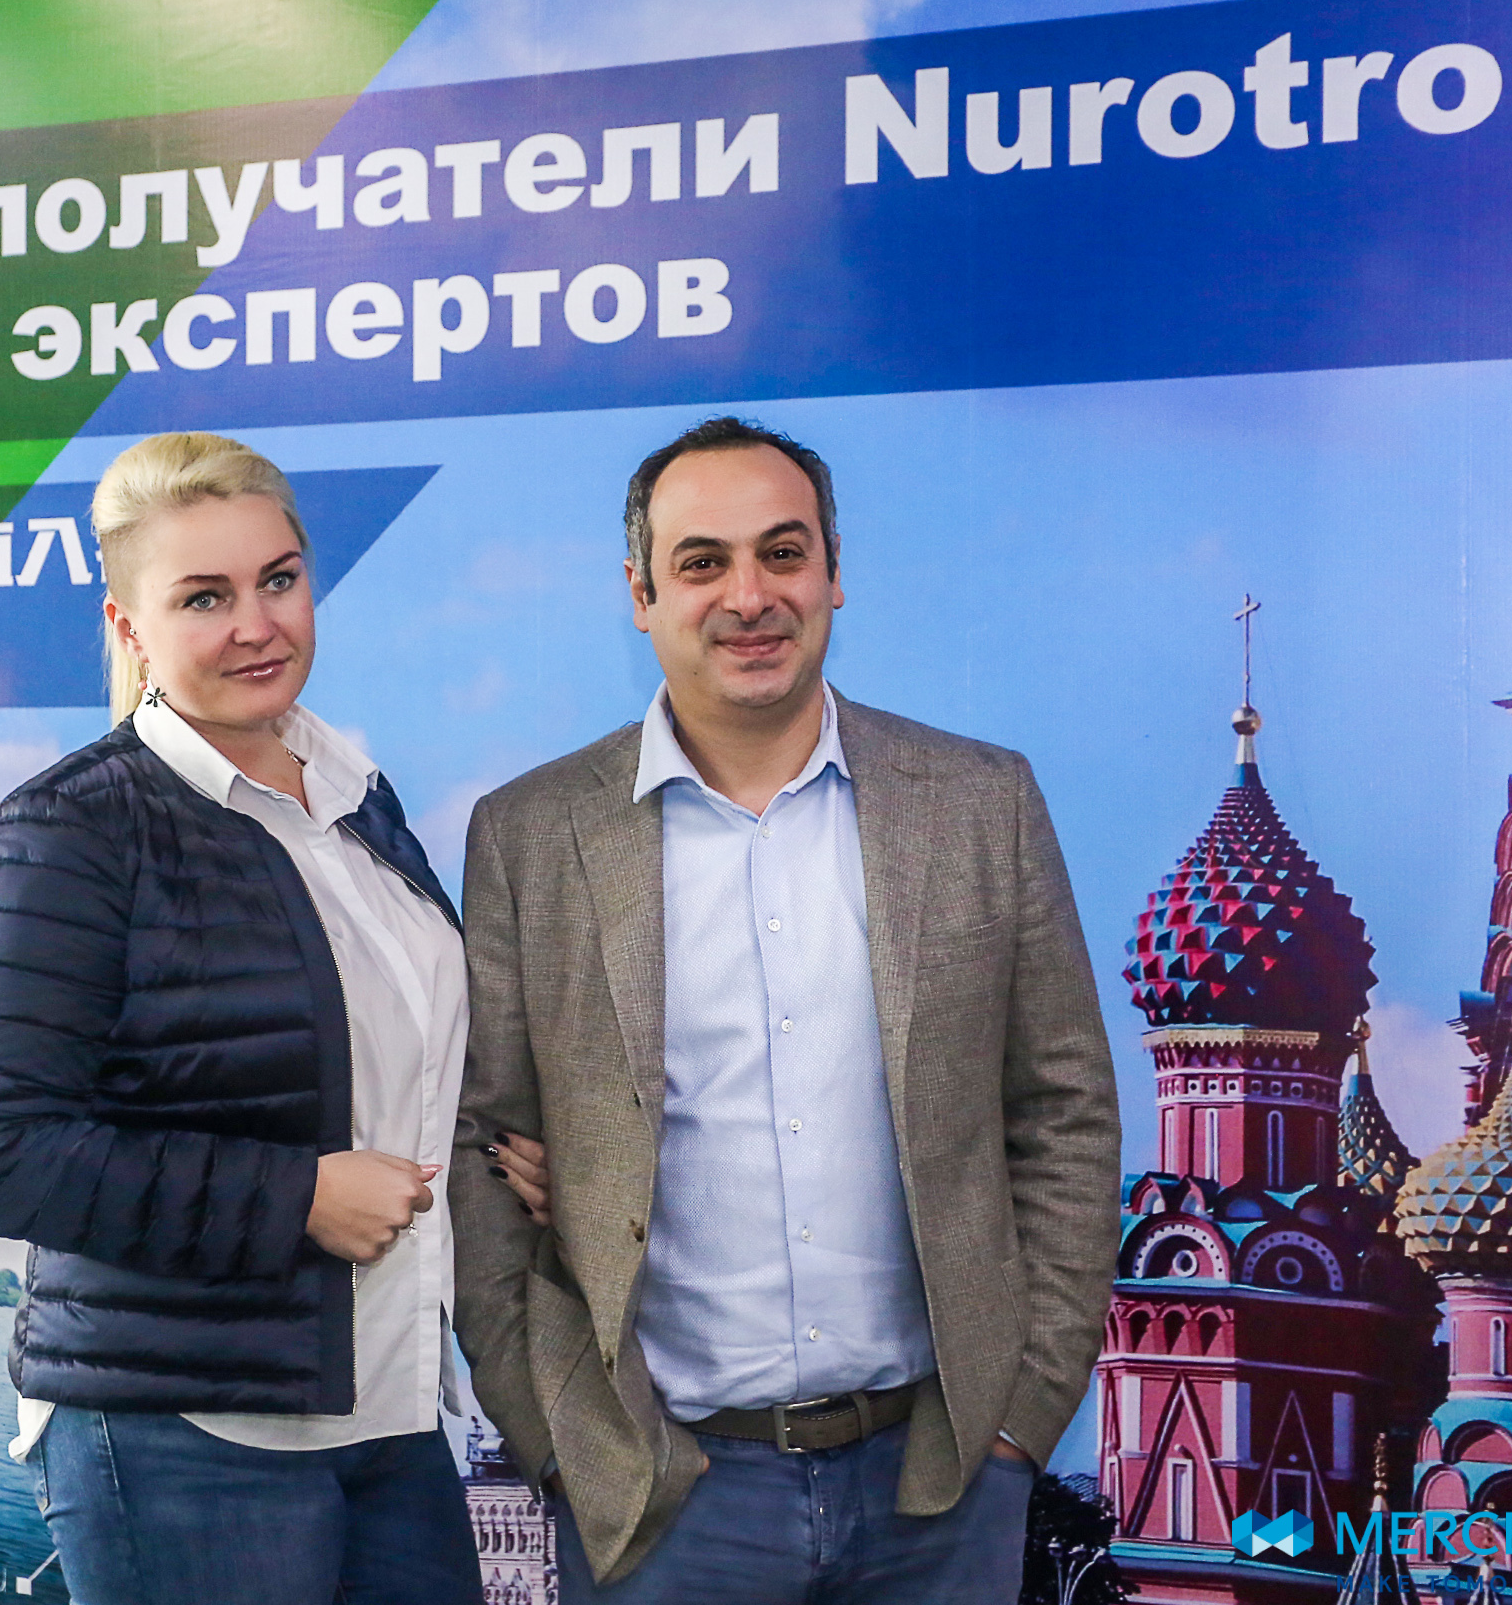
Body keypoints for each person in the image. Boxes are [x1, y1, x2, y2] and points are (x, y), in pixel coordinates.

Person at [449, 415, 1122, 1602]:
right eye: (701, 562)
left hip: (939, 1483)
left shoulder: (978, 804)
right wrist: (552, 1437)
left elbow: (1062, 1112)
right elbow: (477, 1139)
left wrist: (1021, 1418)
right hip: (662, 1499)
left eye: (781, 552)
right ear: (641, 594)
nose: (748, 596)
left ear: (832, 571)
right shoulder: (531, 834)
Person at [0, 433, 485, 1605]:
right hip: (184, 1436)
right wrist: (296, 1197)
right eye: (203, 597)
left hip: (391, 1412)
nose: (256, 625)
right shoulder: (69, 829)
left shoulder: (355, 796)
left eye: (278, 579)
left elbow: (387, 1063)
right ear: (128, 625)